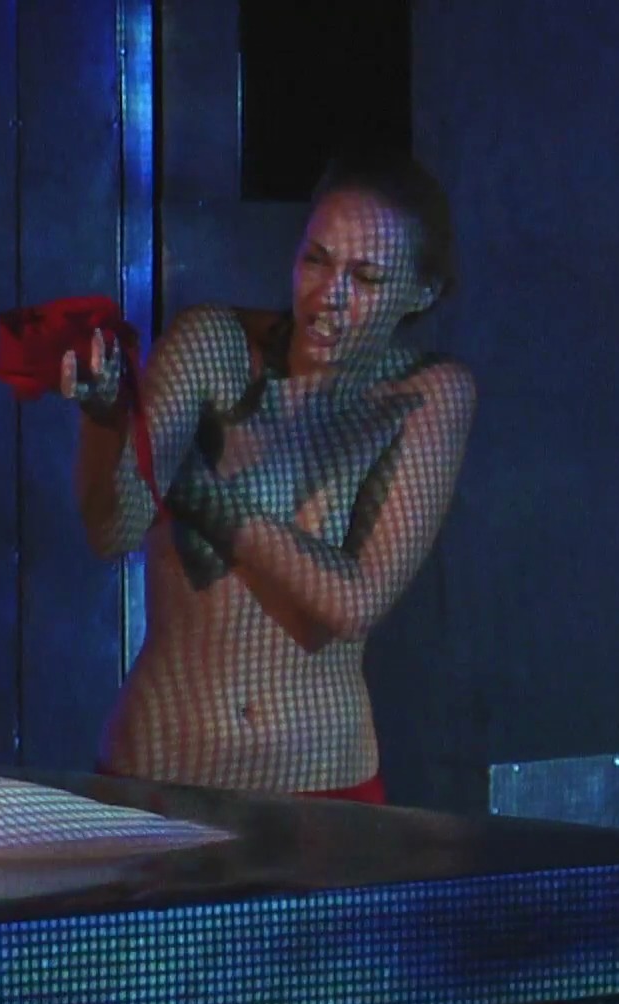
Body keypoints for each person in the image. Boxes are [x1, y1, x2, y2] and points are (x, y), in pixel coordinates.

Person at [62, 152, 475, 804]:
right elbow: (113, 530)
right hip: (161, 777)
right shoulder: (213, 343)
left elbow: (352, 604)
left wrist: (198, 492)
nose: (329, 296)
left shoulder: (427, 393)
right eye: (316, 260)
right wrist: (106, 419)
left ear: (421, 293)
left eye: (366, 277)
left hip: (326, 791)